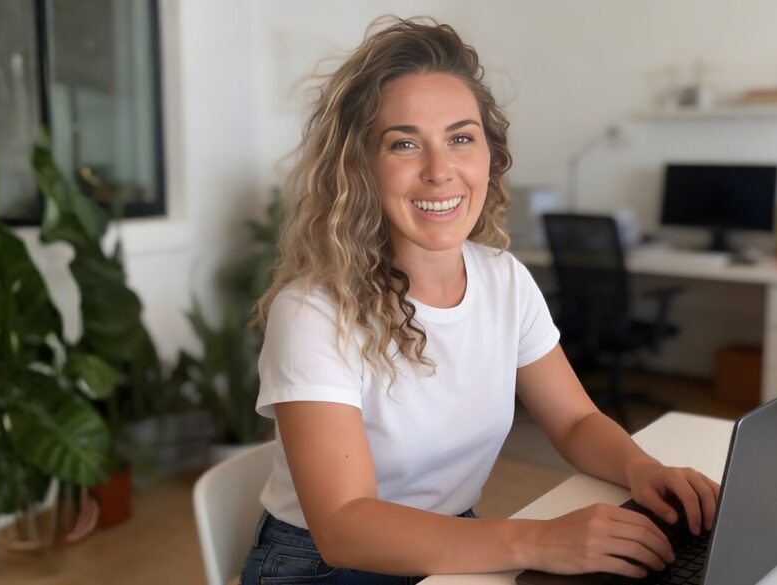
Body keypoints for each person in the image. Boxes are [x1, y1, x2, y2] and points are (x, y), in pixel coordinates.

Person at [242, 17, 720, 585]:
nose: (440, 171)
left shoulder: (502, 278)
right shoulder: (313, 312)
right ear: (361, 168)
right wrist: (538, 540)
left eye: (461, 138)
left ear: (489, 153)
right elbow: (345, 526)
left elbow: (573, 420)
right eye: (404, 144)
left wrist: (641, 469)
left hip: (452, 539)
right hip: (325, 566)